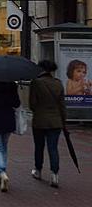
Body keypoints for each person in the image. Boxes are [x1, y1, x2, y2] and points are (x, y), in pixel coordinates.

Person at [30, 60, 66, 188]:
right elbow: (62, 105)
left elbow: (32, 104)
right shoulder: (58, 83)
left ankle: (38, 170)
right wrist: (63, 120)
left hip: (39, 121)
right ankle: (54, 174)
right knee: (53, 148)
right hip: (56, 121)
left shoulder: (36, 83)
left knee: (39, 147)